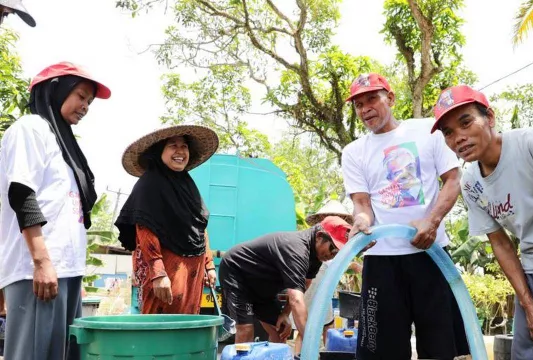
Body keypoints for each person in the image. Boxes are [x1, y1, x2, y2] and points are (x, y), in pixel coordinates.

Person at [432, 85, 533, 359]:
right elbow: (500, 243)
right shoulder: (471, 183)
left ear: (490, 118)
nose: (458, 138)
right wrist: (528, 303)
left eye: (466, 123)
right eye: (449, 133)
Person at [341, 73, 469, 360]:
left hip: (431, 254)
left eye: (372, 98)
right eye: (358, 104)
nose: (365, 109)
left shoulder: (428, 131)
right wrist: (361, 222)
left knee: (440, 348)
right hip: (381, 261)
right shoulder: (353, 152)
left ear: (391, 98)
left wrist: (432, 221)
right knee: (380, 351)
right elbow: (362, 205)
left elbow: (453, 179)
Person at [0, 61, 110, 360]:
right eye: (80, 96)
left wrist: (74, 274)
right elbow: (21, 194)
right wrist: (41, 262)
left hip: (65, 271)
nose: (85, 106)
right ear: (55, 90)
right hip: (36, 270)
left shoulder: (61, 141)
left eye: (89, 101)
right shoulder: (31, 127)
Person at [115, 125, 219, 315]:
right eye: (173, 145)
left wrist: (209, 265)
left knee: (187, 330)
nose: (180, 151)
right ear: (159, 151)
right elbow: (145, 228)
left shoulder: (188, 186)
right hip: (165, 273)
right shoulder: (150, 184)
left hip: (192, 273)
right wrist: (158, 273)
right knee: (161, 329)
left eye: (184, 146)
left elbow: (199, 227)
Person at [218, 216, 352, 346]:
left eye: (337, 252)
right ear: (319, 237)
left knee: (280, 331)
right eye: (332, 248)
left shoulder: (317, 256)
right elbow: (296, 299)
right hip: (237, 273)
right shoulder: (297, 249)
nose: (332, 255)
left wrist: (285, 314)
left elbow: (305, 284)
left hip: (263, 286)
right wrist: (310, 346)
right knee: (246, 329)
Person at [292, 200, 361, 354]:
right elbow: (332, 261)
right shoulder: (321, 238)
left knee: (328, 325)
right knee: (306, 327)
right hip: (313, 283)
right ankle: (301, 356)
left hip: (323, 286)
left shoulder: (336, 240)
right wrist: (353, 266)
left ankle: (329, 354)